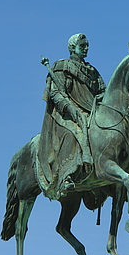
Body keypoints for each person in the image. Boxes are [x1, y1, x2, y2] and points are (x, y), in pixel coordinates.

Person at [37, 34, 105, 200]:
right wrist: (70, 108)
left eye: (87, 45)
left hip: (91, 113)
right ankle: (65, 176)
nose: (86, 48)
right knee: (72, 135)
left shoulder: (92, 71)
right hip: (66, 114)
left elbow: (103, 91)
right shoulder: (61, 67)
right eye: (83, 46)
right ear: (72, 48)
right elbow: (54, 93)